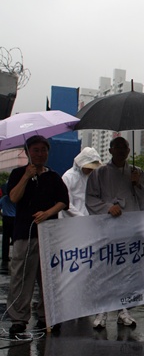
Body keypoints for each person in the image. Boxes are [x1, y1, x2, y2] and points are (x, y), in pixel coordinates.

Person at [86, 137, 144, 329]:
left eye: (125, 147)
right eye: (117, 147)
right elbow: (90, 198)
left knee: (128, 271)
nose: (121, 150)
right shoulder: (99, 173)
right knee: (105, 270)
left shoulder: (138, 173)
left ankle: (124, 309)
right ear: (110, 150)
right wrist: (107, 207)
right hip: (107, 230)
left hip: (130, 229)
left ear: (129, 151)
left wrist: (137, 184)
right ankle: (102, 309)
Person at [7, 135, 69, 338]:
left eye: (44, 150)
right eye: (36, 150)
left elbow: (63, 201)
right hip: (24, 233)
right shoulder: (18, 174)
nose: (40, 154)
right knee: (21, 277)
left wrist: (47, 213)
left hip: (49, 233)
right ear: (27, 152)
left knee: (49, 277)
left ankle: (47, 315)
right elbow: (13, 197)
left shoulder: (53, 177)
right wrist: (26, 176)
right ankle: (19, 319)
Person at [59, 147, 102, 218]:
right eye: (89, 168)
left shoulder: (92, 178)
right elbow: (66, 203)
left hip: (89, 219)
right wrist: (81, 217)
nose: (90, 170)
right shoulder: (69, 177)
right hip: (72, 220)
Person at [0, 183, 16, 265]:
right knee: (16, 238)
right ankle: (16, 256)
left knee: (5, 239)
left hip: (6, 219)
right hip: (14, 219)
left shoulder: (3, 199)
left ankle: (5, 257)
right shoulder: (15, 199)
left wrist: (2, 214)